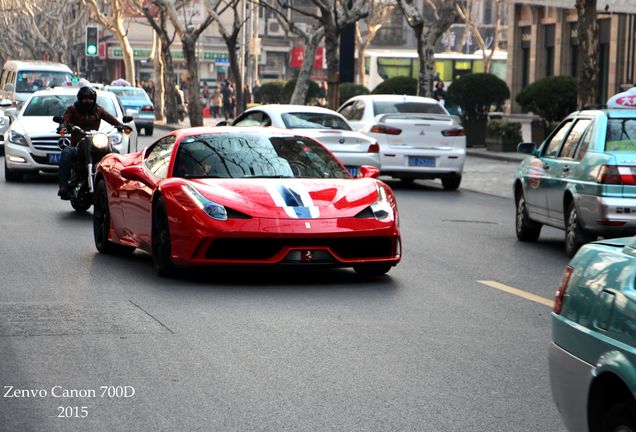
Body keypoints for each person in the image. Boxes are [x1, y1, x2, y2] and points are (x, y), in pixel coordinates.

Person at [57, 86, 131, 199]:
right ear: (80, 99)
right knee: (66, 153)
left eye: (91, 99)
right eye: (85, 99)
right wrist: (63, 127)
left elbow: (110, 118)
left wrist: (121, 126)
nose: (88, 101)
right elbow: (65, 120)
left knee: (114, 153)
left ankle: (120, 184)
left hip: (94, 142)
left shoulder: (98, 110)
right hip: (78, 144)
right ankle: (63, 186)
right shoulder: (72, 109)